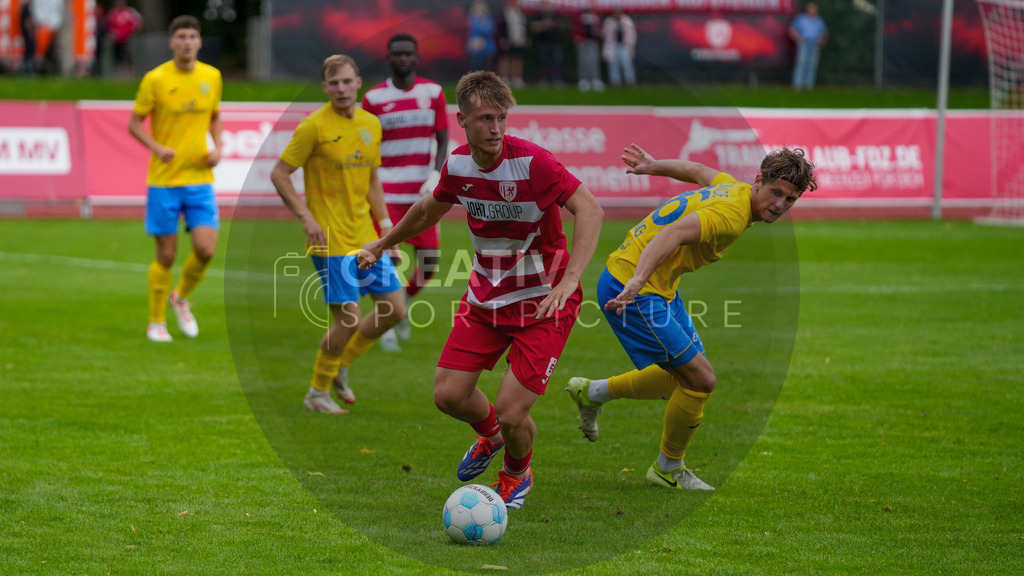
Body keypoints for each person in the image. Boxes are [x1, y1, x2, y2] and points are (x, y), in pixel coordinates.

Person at [359, 71, 604, 509]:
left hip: (544, 301)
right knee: (448, 396)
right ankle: (491, 437)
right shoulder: (457, 166)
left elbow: (590, 209)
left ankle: (516, 473)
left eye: (501, 118)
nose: (495, 128)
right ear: (462, 120)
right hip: (485, 300)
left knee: (512, 412)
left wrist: (570, 280)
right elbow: (427, 211)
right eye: (485, 119)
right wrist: (383, 243)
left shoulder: (533, 163)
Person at [566, 143, 817, 492]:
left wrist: (653, 165)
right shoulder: (732, 216)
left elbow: (697, 171)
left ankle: (593, 392)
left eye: (790, 199)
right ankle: (668, 468)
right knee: (701, 380)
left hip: (657, 286)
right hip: (634, 289)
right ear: (759, 181)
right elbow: (672, 233)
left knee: (686, 379)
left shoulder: (732, 187)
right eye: (776, 193)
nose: (780, 204)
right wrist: (637, 281)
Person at [271, 54, 406, 415]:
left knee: (394, 310)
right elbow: (280, 173)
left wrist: (387, 229)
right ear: (325, 88)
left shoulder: (370, 124)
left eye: (347, 81)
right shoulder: (313, 127)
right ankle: (317, 393)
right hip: (329, 240)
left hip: (366, 237)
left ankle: (341, 365)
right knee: (348, 319)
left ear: (358, 83)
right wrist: (305, 217)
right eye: (334, 83)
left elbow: (372, 180)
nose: (342, 89)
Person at [128, 15, 222, 344]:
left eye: (192, 36)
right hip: (164, 181)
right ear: (171, 42)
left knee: (206, 250)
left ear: (199, 42)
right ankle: (156, 323)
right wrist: (156, 147)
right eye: (181, 36)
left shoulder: (212, 76)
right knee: (166, 255)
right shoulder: (155, 79)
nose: (187, 42)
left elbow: (215, 116)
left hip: (199, 178)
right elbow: (134, 123)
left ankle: (180, 297)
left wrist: (218, 147)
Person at [361, 34, 450, 352]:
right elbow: (367, 146)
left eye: (408, 53)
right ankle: (386, 322)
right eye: (397, 53)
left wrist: (436, 175)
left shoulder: (433, 92)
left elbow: (442, 138)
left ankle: (404, 302)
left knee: (429, 263)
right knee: (383, 262)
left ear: (416, 57)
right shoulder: (373, 98)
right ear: (388, 57)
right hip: (385, 195)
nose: (403, 58)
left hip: (421, 196)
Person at [789, 2, 828, 90]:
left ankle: (809, 85)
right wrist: (798, 39)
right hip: (804, 43)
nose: (812, 10)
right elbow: (791, 29)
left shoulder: (819, 20)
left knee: (812, 65)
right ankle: (798, 84)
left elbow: (824, 33)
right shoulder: (801, 19)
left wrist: (821, 43)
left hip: (814, 44)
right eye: (810, 8)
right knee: (801, 63)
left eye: (813, 8)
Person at [529, 0, 563, 86]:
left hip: (554, 42)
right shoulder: (538, 16)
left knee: (555, 61)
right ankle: (543, 79)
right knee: (543, 61)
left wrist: (544, 25)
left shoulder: (555, 15)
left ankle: (556, 79)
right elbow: (534, 27)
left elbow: (560, 26)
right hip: (542, 42)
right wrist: (546, 25)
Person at [572, 0, 604, 92]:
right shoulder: (580, 15)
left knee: (594, 61)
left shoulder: (597, 16)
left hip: (593, 41)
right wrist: (577, 37)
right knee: (583, 61)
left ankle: (595, 79)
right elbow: (576, 27)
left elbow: (600, 28)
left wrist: (598, 34)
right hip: (583, 41)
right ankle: (584, 80)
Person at [602, 6, 636, 88]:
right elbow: (604, 33)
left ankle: (630, 81)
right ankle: (615, 82)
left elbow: (632, 34)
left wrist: (629, 43)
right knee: (613, 65)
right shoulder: (609, 21)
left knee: (626, 64)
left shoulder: (627, 20)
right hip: (613, 46)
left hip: (624, 45)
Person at [107, 0, 143, 76]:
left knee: (128, 57)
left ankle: (130, 74)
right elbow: (109, 25)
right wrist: (112, 33)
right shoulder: (113, 13)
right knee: (116, 57)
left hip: (127, 40)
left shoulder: (130, 12)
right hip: (116, 40)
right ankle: (118, 75)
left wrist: (132, 32)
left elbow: (139, 22)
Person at [496, 0, 527, 88]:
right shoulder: (504, 12)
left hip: (518, 39)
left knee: (517, 58)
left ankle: (517, 78)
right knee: (505, 58)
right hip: (506, 39)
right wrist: (503, 37)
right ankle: (504, 78)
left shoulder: (520, 13)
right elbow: (501, 26)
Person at [466, 0, 496, 72]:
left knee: (486, 64)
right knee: (476, 63)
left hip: (487, 44)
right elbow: (472, 29)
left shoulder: (488, 17)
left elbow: (493, 29)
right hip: (476, 44)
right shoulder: (471, 18)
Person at [19, 0, 37, 75]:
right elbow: (27, 22)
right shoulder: (27, 9)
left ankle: (27, 68)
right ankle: (28, 69)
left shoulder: (25, 8)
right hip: (28, 34)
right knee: (30, 50)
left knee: (28, 50)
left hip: (27, 34)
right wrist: (30, 32)